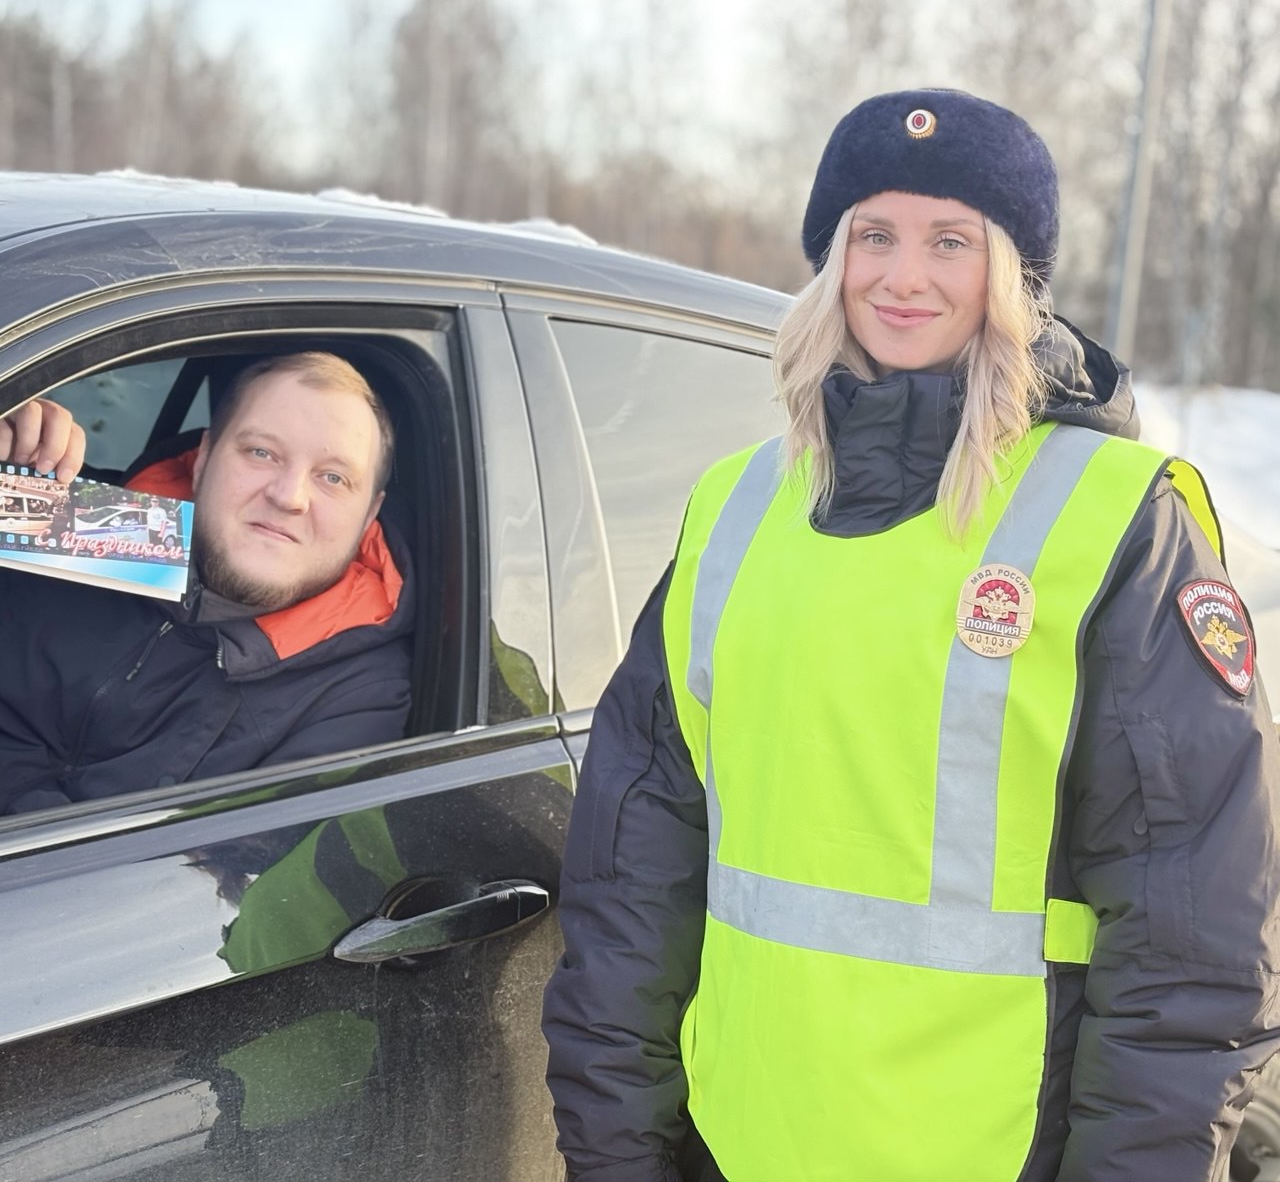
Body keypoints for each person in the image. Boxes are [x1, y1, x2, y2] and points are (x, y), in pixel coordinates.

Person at [541, 90, 1280, 1182]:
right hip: (738, 1143)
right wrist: (617, 1149)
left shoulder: (1117, 516)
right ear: (829, 259)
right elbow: (631, 878)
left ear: (1011, 275)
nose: (902, 275)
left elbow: (1191, 935)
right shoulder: (733, 509)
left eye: (950, 240)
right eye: (870, 235)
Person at [0, 351, 413, 815]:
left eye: (334, 477)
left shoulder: (358, 697)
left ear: (369, 516)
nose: (289, 496)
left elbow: (201, 875)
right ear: (203, 459)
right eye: (262, 452)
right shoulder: (96, 524)